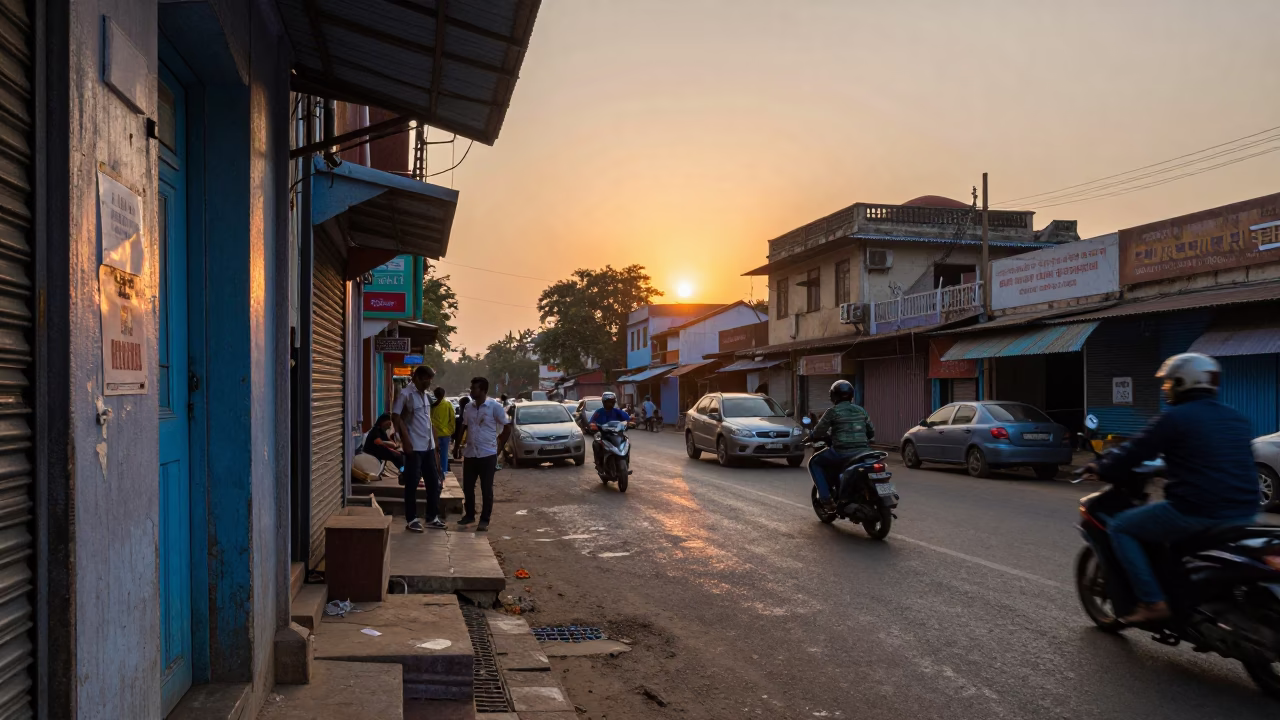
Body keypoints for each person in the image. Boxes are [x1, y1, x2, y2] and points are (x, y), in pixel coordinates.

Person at [1083, 353, 1259, 624]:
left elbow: (1135, 450)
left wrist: (1101, 467)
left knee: (1121, 527)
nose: (1166, 389)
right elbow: (1212, 458)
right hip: (1245, 513)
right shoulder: (1235, 417)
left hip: (1196, 511)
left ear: (1182, 382)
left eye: (1168, 383)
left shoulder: (1175, 418)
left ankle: (1153, 602)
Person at [808, 380, 875, 514]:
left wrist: (811, 436)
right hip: (864, 452)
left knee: (814, 463)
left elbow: (819, 431)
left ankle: (826, 499)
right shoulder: (861, 411)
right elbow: (871, 432)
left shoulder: (832, 412)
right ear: (851, 395)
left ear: (834, 396)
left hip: (842, 452)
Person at [392, 365, 444, 532]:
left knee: (433, 483)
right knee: (412, 484)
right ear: (418, 378)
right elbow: (396, 416)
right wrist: (404, 440)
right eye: (427, 380)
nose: (430, 383)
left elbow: (428, 422)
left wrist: (435, 445)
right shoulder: (405, 394)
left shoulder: (425, 396)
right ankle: (412, 519)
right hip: (414, 447)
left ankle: (432, 517)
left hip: (428, 447)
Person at [459, 376, 511, 532]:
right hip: (470, 453)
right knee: (468, 487)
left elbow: (507, 427)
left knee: (486, 489)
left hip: (488, 454)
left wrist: (499, 447)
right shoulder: (468, 407)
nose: (471, 391)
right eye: (471, 388)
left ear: (483, 391)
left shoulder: (494, 407)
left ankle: (484, 520)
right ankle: (469, 515)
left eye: (474, 388)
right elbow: (464, 425)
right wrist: (456, 445)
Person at [589, 391, 632, 473]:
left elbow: (627, 418)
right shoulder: (599, 412)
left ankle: (626, 461)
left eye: (611, 402)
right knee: (596, 444)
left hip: (617, 434)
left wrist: (630, 422)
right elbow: (592, 421)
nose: (610, 404)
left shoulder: (617, 411)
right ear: (604, 402)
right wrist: (593, 425)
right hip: (604, 435)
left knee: (627, 443)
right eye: (608, 402)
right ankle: (599, 463)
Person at [431, 387, 456, 476]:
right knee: (444, 454)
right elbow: (452, 418)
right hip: (445, 434)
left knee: (434, 455)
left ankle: (435, 472)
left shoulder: (432, 406)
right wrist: (451, 430)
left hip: (434, 434)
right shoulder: (448, 404)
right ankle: (443, 472)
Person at [452, 394, 470, 461]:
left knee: (459, 440)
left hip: (460, 428)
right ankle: (459, 452)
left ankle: (458, 452)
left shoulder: (463, 412)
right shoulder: (469, 411)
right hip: (465, 431)